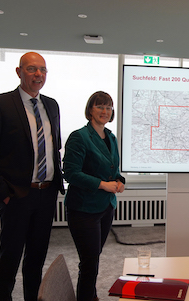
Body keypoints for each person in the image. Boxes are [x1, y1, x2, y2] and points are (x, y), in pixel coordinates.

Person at [0, 52, 64, 300]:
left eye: (42, 70)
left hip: (46, 195)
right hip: (16, 196)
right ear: (19, 71)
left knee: (36, 260)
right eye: (32, 69)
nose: (38, 74)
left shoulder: (51, 105)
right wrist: (2, 194)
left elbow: (54, 147)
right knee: (9, 260)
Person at [63, 91, 125, 301]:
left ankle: (91, 295)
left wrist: (119, 180)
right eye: (100, 106)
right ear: (90, 109)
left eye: (108, 107)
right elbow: (71, 173)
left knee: (94, 258)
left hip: (106, 207)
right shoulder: (79, 136)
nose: (105, 111)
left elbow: (111, 169)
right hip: (84, 209)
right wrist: (102, 185)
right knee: (89, 261)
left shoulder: (111, 137)